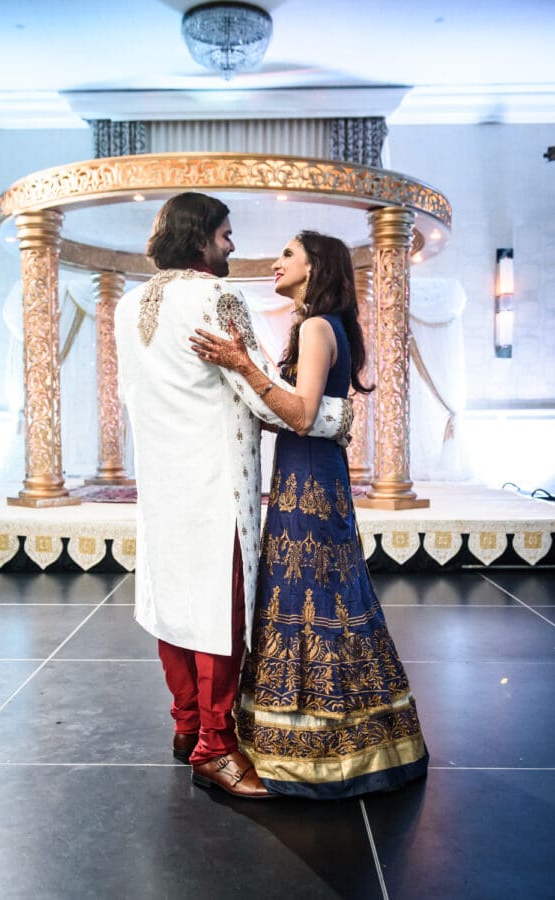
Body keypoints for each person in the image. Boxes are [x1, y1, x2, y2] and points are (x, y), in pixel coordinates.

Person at [114, 194, 354, 800]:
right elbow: (261, 391)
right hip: (218, 478)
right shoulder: (219, 297)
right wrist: (333, 417)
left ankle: (186, 724)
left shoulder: (124, 307)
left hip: (163, 480)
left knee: (174, 601)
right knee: (221, 610)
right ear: (200, 240)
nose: (232, 246)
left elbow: (128, 394)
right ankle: (215, 748)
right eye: (225, 235)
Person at [190, 230, 429, 799]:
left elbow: (300, 415)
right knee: (318, 598)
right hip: (306, 478)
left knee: (314, 600)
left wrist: (244, 366)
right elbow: (307, 412)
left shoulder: (318, 327)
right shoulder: (319, 327)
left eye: (288, 255)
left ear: (315, 266)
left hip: (310, 486)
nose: (276, 262)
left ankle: (321, 752)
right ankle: (326, 739)